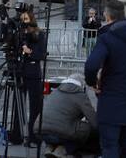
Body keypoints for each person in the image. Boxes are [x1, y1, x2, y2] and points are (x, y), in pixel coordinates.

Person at [84, 0, 126, 158]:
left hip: (111, 99)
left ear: (108, 16)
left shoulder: (107, 37)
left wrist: (92, 82)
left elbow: (91, 65)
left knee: (110, 145)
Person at [40, 73, 98, 153]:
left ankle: (50, 147)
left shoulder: (55, 91)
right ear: (82, 85)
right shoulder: (80, 95)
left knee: (59, 127)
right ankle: (63, 149)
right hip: (60, 135)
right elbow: (94, 121)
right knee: (84, 129)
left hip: (41, 132)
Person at [19, 8, 48, 146]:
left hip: (33, 73)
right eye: (21, 19)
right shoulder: (20, 34)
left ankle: (33, 136)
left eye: (25, 19)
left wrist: (29, 52)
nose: (23, 22)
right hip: (20, 71)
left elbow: (41, 55)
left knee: (35, 105)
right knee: (19, 104)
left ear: (31, 20)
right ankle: (17, 134)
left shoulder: (39, 34)